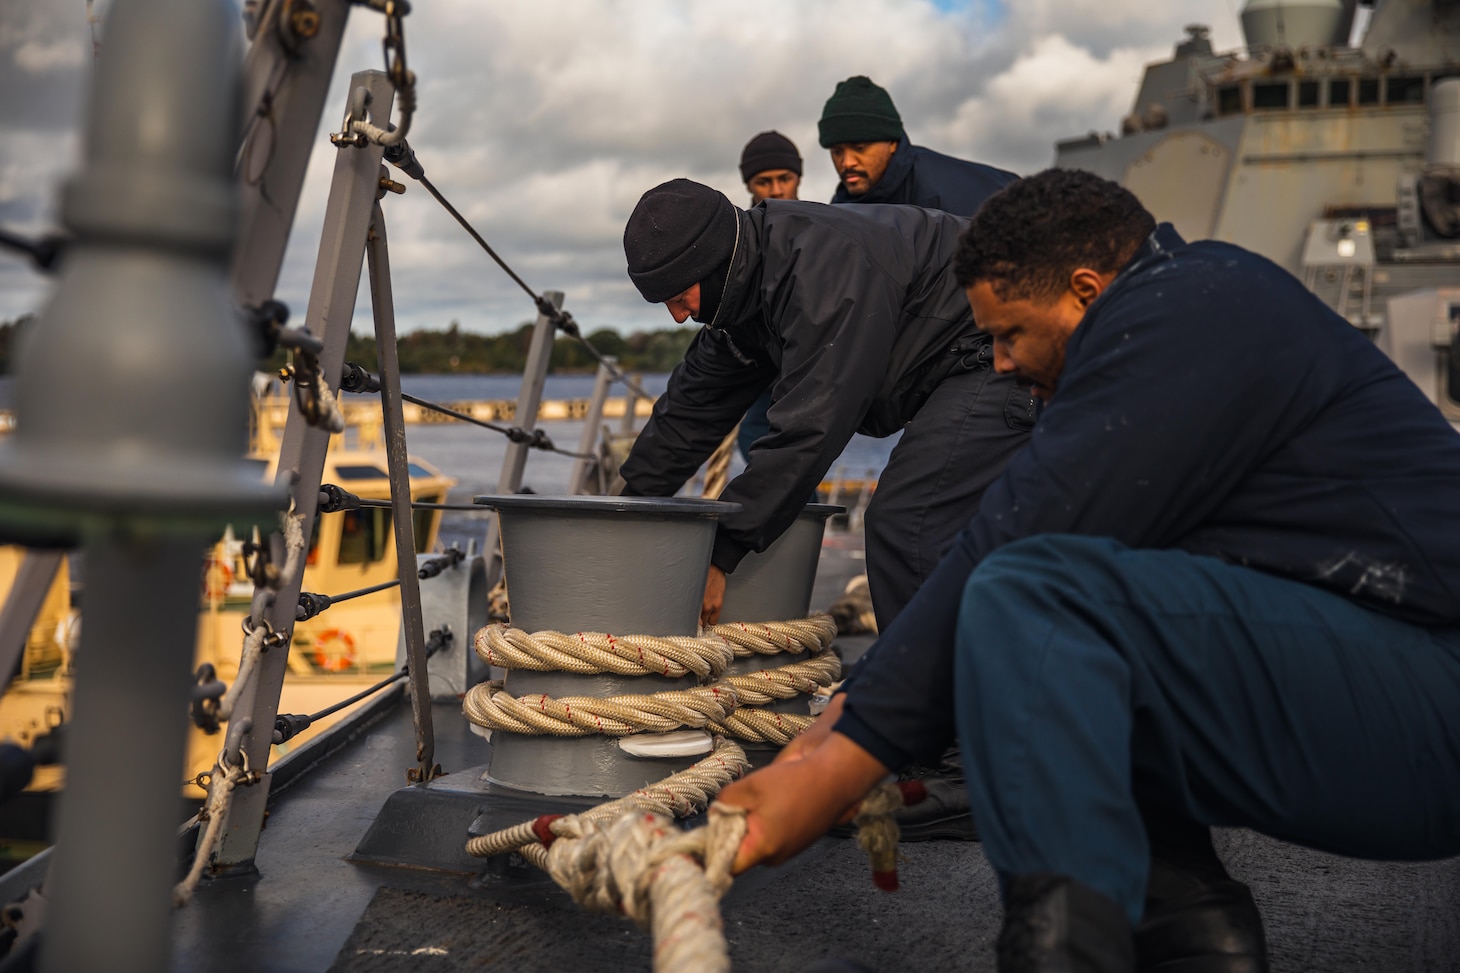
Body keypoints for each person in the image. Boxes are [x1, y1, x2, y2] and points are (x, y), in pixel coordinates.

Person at [719, 169, 1460, 972]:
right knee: (1088, 623)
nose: (998, 363)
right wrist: (817, 744)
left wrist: (833, 768)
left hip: (1434, 698)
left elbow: (1013, 543)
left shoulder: (1189, 305)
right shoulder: (1188, 313)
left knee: (1034, 599)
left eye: (1009, 334)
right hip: (1395, 692)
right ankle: (1191, 938)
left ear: (1084, 290)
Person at [617, 177, 1035, 634]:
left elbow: (810, 429)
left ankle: (924, 694)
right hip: (956, 364)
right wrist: (623, 514)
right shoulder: (743, 295)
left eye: (680, 297)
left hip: (1006, 350)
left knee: (907, 522)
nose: (678, 315)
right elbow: (689, 412)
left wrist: (720, 554)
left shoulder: (821, 273)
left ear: (713, 262)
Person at [819, 75, 1014, 216]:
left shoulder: (946, 198)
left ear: (892, 143)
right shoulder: (840, 209)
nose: (847, 162)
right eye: (837, 152)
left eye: (860, 148)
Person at [734, 131, 804, 461]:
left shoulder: (825, 229)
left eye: (785, 178)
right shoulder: (736, 240)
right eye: (764, 181)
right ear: (749, 185)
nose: (776, 190)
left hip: (808, 368)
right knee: (754, 436)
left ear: (798, 177)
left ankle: (803, 512)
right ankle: (803, 512)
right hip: (767, 372)